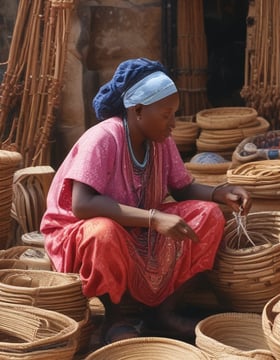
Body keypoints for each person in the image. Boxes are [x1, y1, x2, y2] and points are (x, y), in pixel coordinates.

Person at [40, 58, 251, 344]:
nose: (173, 123)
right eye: (166, 115)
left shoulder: (160, 141)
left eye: (174, 114)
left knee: (209, 215)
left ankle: (161, 313)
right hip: (79, 234)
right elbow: (83, 204)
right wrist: (154, 218)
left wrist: (220, 192)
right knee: (103, 231)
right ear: (137, 111)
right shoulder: (103, 137)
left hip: (135, 227)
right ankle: (115, 318)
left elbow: (183, 188)